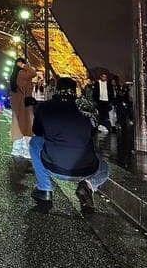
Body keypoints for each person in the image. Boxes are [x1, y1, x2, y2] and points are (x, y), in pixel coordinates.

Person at [30, 77, 110, 213]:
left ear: (56, 89)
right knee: (105, 167)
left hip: (53, 166)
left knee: (35, 142)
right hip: (85, 169)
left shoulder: (44, 107)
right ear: (75, 91)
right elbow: (92, 133)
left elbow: (37, 131)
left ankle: (45, 190)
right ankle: (88, 185)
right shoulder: (86, 109)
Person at [9, 57, 36, 141]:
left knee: (17, 119)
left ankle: (17, 137)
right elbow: (33, 73)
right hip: (23, 100)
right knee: (25, 120)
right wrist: (24, 66)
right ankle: (23, 137)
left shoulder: (14, 74)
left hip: (17, 100)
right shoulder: (22, 73)